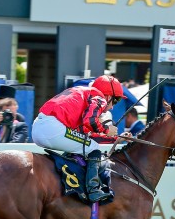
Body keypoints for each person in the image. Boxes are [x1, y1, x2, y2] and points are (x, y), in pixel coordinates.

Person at [32, 75, 124, 203]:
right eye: (115, 101)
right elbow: (90, 120)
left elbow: (84, 133)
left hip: (38, 127)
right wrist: (107, 129)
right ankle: (93, 190)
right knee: (94, 148)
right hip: (53, 129)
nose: (113, 107)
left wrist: (113, 139)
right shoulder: (99, 97)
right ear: (108, 96)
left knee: (84, 146)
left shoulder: (82, 93)